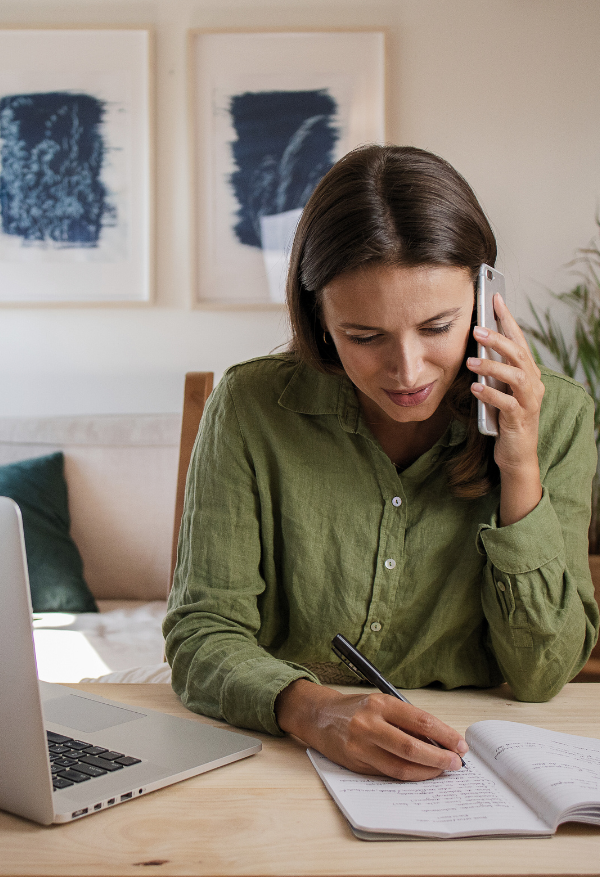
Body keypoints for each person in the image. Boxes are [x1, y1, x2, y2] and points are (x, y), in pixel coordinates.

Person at [164, 145, 599, 782]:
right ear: (318, 317)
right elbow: (202, 633)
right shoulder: (251, 406)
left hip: (474, 765)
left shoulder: (557, 415)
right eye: (364, 337)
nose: (407, 372)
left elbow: (541, 673)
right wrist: (315, 711)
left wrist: (520, 466)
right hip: (285, 757)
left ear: (483, 301)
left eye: (438, 326)